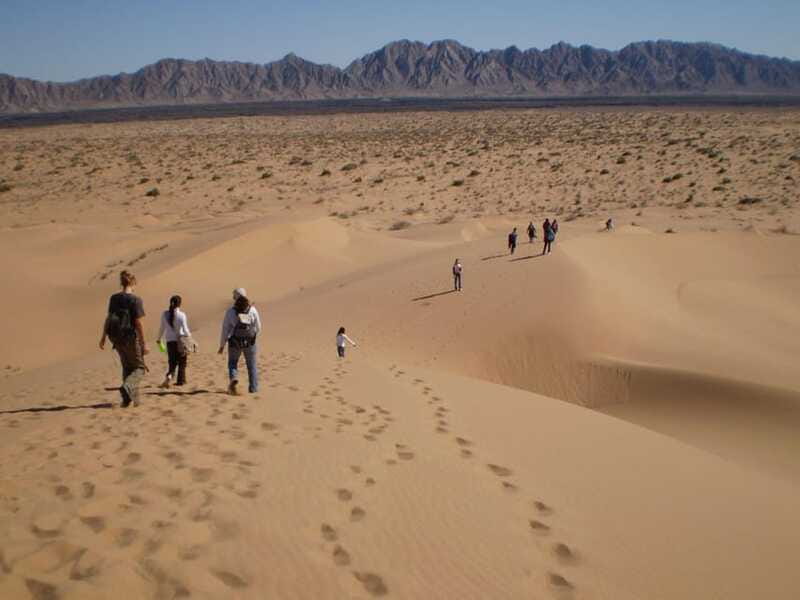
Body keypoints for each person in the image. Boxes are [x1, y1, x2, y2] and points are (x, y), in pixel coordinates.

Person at [99, 270, 148, 408]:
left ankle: (128, 400)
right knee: (139, 368)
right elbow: (138, 323)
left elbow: (108, 318)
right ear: (133, 282)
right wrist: (144, 343)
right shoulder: (135, 300)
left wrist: (103, 337)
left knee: (127, 366)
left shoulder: (114, 298)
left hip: (115, 338)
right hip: (130, 338)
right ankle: (127, 387)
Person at [218, 288, 261, 395]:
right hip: (250, 343)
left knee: (232, 363)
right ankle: (253, 389)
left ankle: (233, 379)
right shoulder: (253, 310)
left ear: (235, 298)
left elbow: (225, 329)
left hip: (234, 342)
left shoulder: (230, 312)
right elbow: (258, 327)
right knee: (252, 366)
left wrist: (222, 345)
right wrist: (253, 337)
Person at [156, 295, 192, 388]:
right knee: (182, 362)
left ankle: (169, 376)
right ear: (180, 304)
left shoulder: (165, 314)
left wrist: (158, 339)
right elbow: (186, 330)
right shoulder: (182, 315)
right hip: (180, 341)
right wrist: (190, 339)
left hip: (170, 342)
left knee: (172, 362)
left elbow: (161, 328)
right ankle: (181, 381)